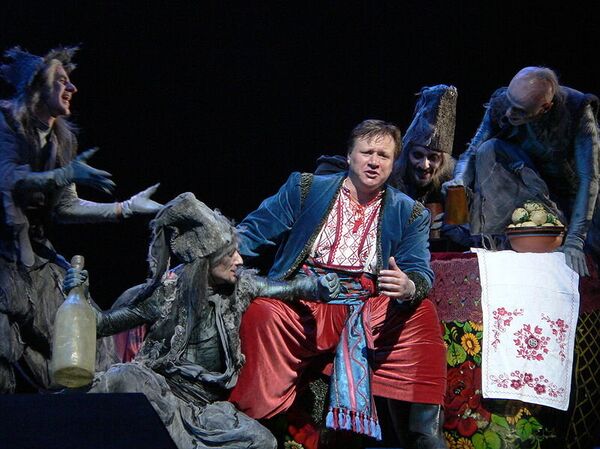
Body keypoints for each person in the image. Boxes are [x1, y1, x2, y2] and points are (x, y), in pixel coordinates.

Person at [229, 120, 448, 449]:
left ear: (393, 163)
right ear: (349, 156)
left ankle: (425, 436)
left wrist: (409, 286)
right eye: (367, 152)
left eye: (384, 156)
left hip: (366, 309)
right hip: (303, 302)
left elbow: (419, 269)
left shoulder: (410, 212)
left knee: (422, 313)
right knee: (262, 312)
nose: (374, 162)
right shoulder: (306, 188)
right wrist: (223, 253)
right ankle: (255, 422)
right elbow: (255, 230)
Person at [64, 192, 341, 449]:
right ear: (205, 260)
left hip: (205, 410)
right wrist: (82, 297)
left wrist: (315, 287)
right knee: (126, 378)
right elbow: (102, 324)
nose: (239, 260)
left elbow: (284, 288)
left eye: (237, 251)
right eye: (229, 254)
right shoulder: (168, 294)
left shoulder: (241, 288)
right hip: (162, 393)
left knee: (262, 441)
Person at [0, 46, 161, 393]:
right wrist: (64, 174)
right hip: (5, 256)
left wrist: (124, 208)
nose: (71, 88)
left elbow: (64, 206)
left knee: (90, 339)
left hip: (35, 257)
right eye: (60, 81)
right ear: (35, 86)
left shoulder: (61, 138)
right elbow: (10, 180)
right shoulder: (6, 124)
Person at [443, 67, 600, 275]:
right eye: (510, 103)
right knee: (489, 149)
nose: (509, 113)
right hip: (530, 187)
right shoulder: (503, 103)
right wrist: (459, 180)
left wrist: (575, 239)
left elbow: (589, 178)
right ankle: (496, 239)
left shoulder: (576, 109)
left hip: (573, 197)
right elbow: (473, 151)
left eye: (519, 110)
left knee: (589, 259)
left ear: (545, 107)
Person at [316, 85, 473, 250]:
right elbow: (328, 169)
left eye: (433, 158)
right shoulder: (388, 173)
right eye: (418, 155)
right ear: (406, 154)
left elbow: (467, 238)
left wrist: (456, 221)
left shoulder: (451, 183)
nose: (424, 165)